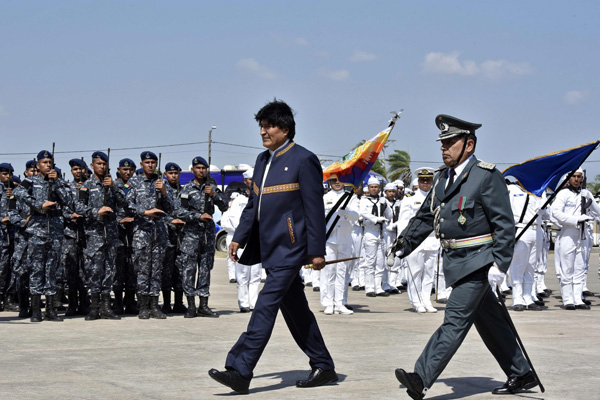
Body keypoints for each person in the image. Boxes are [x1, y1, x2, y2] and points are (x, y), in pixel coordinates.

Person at [393, 115, 539, 398]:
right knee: (490, 322)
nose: (443, 148)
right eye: (442, 143)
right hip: (455, 261)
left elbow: (504, 224)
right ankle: (521, 372)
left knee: (455, 320)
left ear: (469, 145)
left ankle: (420, 377)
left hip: (479, 261)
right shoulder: (440, 179)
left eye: (450, 142)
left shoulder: (486, 176)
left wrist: (500, 264)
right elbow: (425, 217)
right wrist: (403, 245)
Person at [209, 99, 337, 394]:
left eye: (268, 126)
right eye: (261, 126)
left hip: (291, 248)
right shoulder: (262, 160)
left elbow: (314, 209)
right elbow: (253, 205)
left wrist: (316, 251)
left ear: (285, 129)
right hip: (269, 248)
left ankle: (240, 369)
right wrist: (239, 237)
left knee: (265, 305)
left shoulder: (304, 159)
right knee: (296, 310)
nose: (263, 132)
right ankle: (324, 365)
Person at [14, 150, 75, 322]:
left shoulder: (58, 181)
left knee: (52, 270)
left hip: (55, 230)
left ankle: (50, 310)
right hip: (37, 230)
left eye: (50, 162)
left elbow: (69, 202)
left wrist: (56, 183)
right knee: (36, 269)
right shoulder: (31, 181)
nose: (48, 165)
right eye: (44, 162)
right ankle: (35, 311)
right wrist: (39, 205)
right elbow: (19, 194)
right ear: (38, 164)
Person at [174, 156, 227, 318]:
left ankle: (203, 305)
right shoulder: (186, 189)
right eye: (198, 168)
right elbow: (179, 212)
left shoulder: (211, 187)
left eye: (204, 168)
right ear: (192, 170)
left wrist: (214, 196)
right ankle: (190, 305)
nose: (201, 171)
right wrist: (197, 216)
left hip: (207, 234)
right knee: (189, 269)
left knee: (205, 268)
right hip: (191, 234)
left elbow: (224, 205)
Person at [76, 151, 124, 320]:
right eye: (99, 164)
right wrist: (97, 211)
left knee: (110, 270)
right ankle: (94, 308)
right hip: (94, 234)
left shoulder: (113, 184)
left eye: (104, 164)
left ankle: (106, 308)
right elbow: (79, 208)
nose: (102, 167)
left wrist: (113, 188)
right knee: (95, 270)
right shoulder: (86, 186)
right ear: (92, 166)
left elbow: (124, 202)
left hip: (110, 233)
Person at [126, 151, 173, 319]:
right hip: (142, 233)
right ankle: (143, 306)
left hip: (158, 233)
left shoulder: (161, 183)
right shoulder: (134, 182)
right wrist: (145, 212)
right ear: (142, 165)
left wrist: (165, 192)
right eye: (147, 163)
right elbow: (128, 205)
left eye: (153, 162)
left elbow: (171, 209)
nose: (151, 165)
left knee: (156, 271)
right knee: (143, 270)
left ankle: (154, 306)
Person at [550, 169, 600, 310]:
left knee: (580, 267)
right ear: (569, 178)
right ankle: (568, 299)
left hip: (583, 234)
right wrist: (576, 219)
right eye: (574, 177)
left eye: (579, 177)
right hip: (568, 232)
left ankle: (578, 298)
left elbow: (597, 210)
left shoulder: (586, 194)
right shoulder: (563, 194)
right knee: (567, 267)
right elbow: (556, 212)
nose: (577, 179)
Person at [396, 167, 440, 313]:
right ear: (418, 181)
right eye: (423, 180)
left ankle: (426, 300)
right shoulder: (410, 200)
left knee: (429, 272)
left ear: (432, 181)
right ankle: (416, 301)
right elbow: (403, 222)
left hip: (432, 239)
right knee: (415, 271)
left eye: (428, 180)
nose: (425, 183)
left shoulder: (437, 199)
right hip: (414, 241)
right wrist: (401, 241)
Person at [321, 175, 359, 315]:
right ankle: (328, 302)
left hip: (344, 239)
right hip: (329, 240)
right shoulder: (324, 198)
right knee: (329, 273)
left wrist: (347, 213)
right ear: (329, 182)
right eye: (333, 181)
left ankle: (340, 303)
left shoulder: (351, 197)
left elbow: (357, 216)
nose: (337, 183)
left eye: (339, 180)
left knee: (342, 273)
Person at [506, 181, 545, 311]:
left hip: (537, 228)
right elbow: (507, 211)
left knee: (531, 265)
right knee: (518, 265)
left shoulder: (539, 190)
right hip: (522, 228)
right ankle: (517, 298)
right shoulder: (512, 190)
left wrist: (544, 209)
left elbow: (548, 212)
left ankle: (528, 296)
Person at [61, 158, 88, 316]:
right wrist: (69, 215)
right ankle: (72, 304)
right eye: (75, 169)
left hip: (87, 233)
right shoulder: (66, 187)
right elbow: (61, 206)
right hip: (70, 232)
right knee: (71, 270)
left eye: (81, 169)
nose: (78, 172)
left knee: (86, 270)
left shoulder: (90, 186)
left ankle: (85, 303)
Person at [161, 162, 187, 314]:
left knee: (180, 270)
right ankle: (165, 303)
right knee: (166, 271)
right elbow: (158, 214)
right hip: (166, 236)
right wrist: (170, 221)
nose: (173, 176)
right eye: (170, 173)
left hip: (182, 237)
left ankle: (178, 302)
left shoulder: (184, 191)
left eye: (176, 173)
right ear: (165, 174)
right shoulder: (161, 191)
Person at [360, 176, 392, 297]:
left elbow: (389, 216)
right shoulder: (364, 200)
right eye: (372, 187)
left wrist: (386, 206)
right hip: (370, 231)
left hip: (381, 233)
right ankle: (369, 287)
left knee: (380, 262)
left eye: (376, 187)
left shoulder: (383, 201)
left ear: (379, 188)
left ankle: (378, 287)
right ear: (368, 188)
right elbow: (363, 212)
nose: (374, 189)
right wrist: (375, 219)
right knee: (370, 261)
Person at [113, 158, 138, 314]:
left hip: (134, 231)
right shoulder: (113, 187)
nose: (127, 173)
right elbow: (108, 207)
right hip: (117, 231)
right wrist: (119, 220)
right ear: (119, 170)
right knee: (118, 267)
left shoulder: (137, 187)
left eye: (130, 170)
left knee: (133, 267)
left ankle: (131, 300)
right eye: (124, 170)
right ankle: (117, 301)